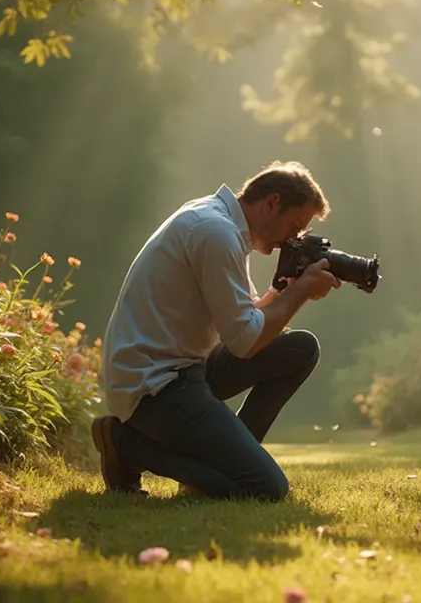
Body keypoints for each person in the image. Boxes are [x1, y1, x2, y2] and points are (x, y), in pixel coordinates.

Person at [91, 161, 341, 501]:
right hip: (155, 386)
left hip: (184, 368)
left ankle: (224, 463)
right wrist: (300, 295)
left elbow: (244, 317)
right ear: (271, 202)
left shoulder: (223, 226)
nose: (293, 239)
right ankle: (125, 443)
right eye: (294, 225)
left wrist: (284, 290)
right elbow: (243, 342)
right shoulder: (215, 232)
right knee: (266, 488)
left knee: (300, 349)